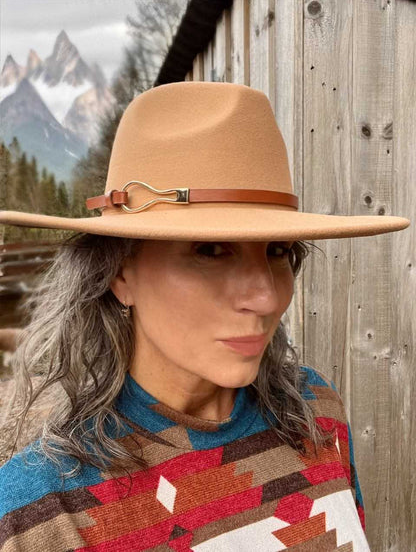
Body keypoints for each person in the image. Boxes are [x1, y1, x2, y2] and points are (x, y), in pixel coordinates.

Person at [0, 81, 409, 551]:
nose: (266, 297)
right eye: (211, 250)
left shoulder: (314, 411)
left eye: (278, 250)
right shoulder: (42, 514)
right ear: (120, 273)